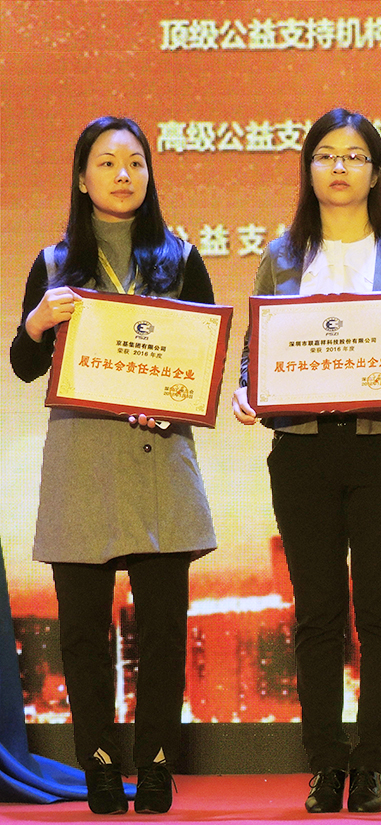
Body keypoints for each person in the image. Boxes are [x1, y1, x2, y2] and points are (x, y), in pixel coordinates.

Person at [9, 116, 217, 815]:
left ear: (150, 174)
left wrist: (173, 400)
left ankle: (155, 766)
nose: (123, 174)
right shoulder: (53, 261)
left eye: (135, 162)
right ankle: (99, 765)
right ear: (80, 177)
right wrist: (37, 321)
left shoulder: (181, 258)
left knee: (163, 634)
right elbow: (24, 365)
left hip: (159, 459)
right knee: (82, 635)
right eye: (106, 162)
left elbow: (204, 359)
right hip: (83, 459)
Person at [232, 108, 381, 815]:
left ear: (377, 172)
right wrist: (245, 389)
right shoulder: (281, 257)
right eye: (326, 154)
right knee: (316, 614)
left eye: (355, 155)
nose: (340, 166)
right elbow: (256, 354)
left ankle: (373, 762)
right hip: (302, 451)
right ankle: (325, 762)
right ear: (308, 169)